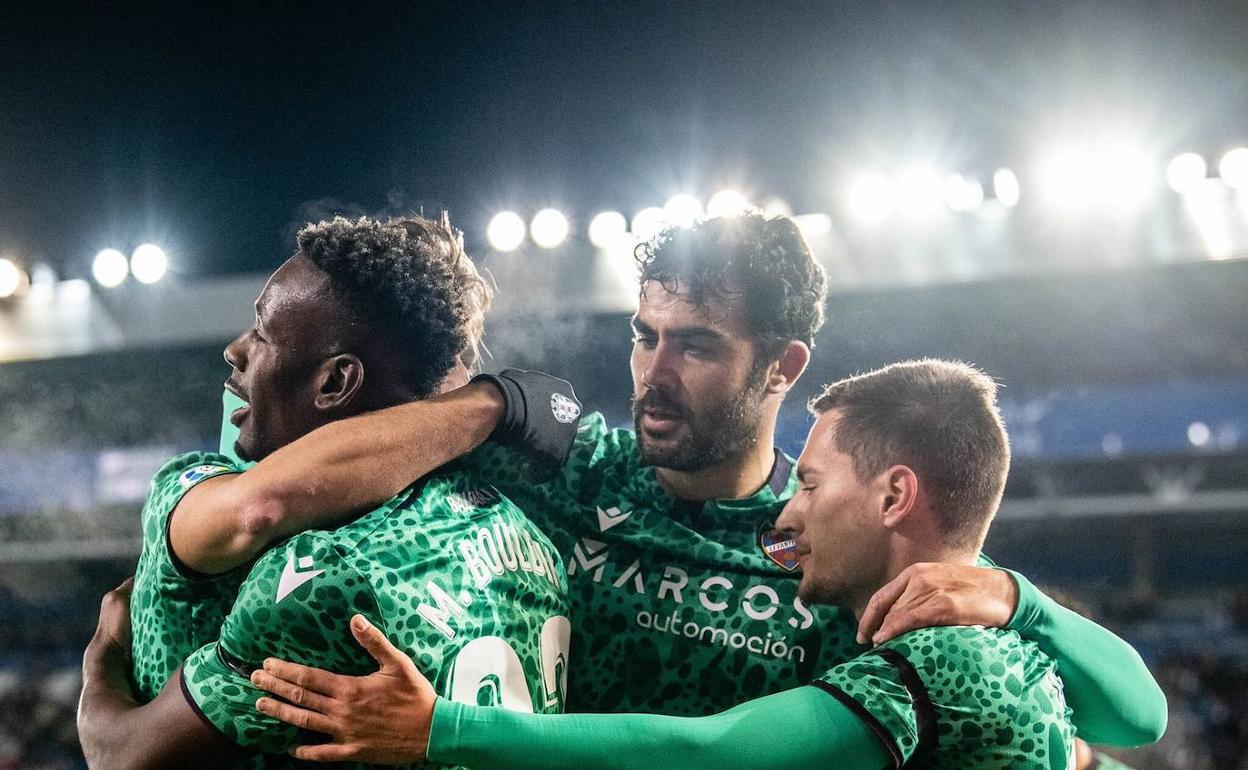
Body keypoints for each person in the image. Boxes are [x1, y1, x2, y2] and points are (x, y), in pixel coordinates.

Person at [85, 213, 1165, 761]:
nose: (653, 372)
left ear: (781, 366)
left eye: (695, 344)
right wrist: (492, 406)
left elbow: (1133, 714)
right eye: (645, 335)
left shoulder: (826, 544)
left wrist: (1015, 595)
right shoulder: (570, 467)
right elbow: (301, 472)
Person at [248, 360, 1084, 769]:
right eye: (645, 337)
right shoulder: (1010, 639)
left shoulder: (932, 661)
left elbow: (713, 749)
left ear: (895, 496)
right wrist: (1025, 600)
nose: (789, 513)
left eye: (815, 482)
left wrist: (442, 728)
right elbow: (1140, 716)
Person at [77, 214, 581, 768]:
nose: (234, 349)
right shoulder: (531, 540)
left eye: (262, 334)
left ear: (336, 382)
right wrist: (491, 401)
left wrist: (103, 652)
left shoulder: (327, 576)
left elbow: (117, 756)